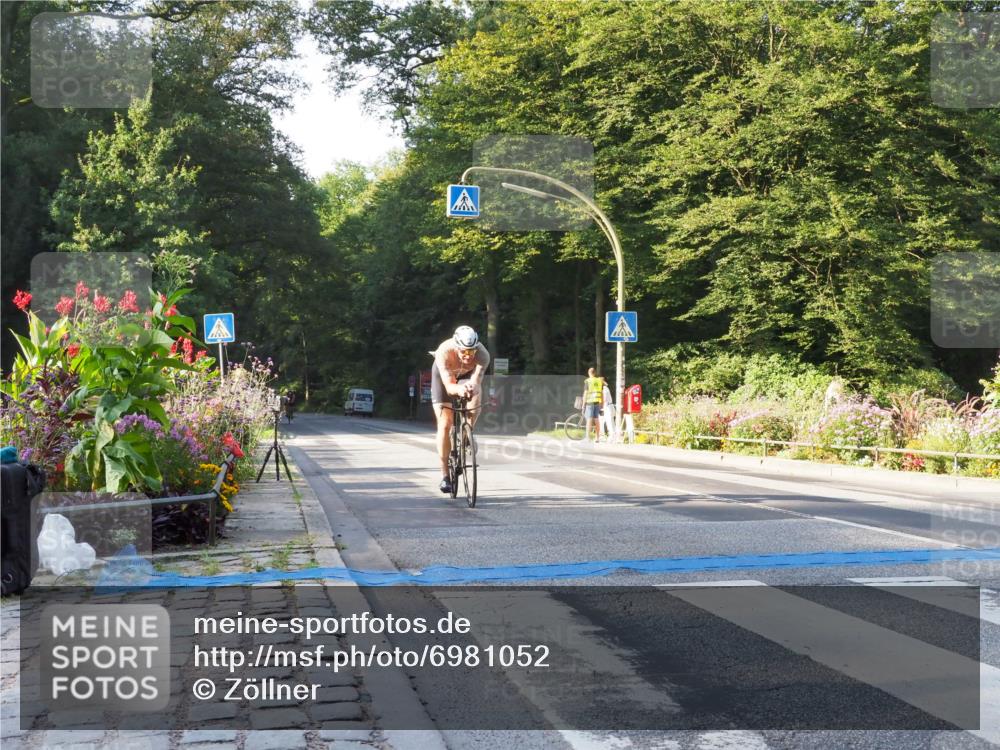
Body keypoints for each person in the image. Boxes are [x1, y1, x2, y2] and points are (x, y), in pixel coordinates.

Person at [432, 326, 490, 493]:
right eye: (464, 352)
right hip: (444, 379)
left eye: (471, 352)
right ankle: (445, 475)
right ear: (456, 348)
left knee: (475, 402)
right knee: (445, 423)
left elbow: (477, 381)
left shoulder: (483, 355)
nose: (467, 356)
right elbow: (449, 387)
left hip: (467, 377)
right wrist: (459, 390)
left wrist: (471, 388)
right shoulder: (444, 351)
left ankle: (466, 434)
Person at [581, 367, 603, 443]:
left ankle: (587, 438)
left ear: (589, 373)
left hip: (590, 403)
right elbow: (601, 393)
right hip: (597, 402)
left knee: (589, 420)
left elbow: (585, 393)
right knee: (596, 420)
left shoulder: (588, 381)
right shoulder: (599, 381)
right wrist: (601, 404)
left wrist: (583, 404)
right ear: (595, 373)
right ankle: (597, 438)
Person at [600, 378, 618, 442]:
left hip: (608, 407)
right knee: (601, 421)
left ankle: (613, 437)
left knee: (610, 423)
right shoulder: (604, 389)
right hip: (606, 407)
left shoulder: (604, 389)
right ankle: (602, 436)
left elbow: (604, 399)